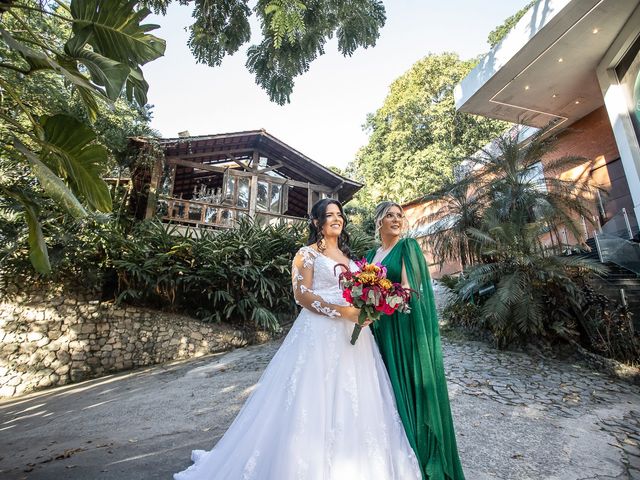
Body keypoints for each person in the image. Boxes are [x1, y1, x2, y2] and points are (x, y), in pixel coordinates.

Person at [174, 198, 422, 480]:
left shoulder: (353, 260)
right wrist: (345, 312)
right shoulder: (306, 254)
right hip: (318, 334)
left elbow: (361, 294)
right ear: (316, 222)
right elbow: (302, 296)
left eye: (339, 214)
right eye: (329, 215)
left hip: (355, 341)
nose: (336, 219)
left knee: (357, 399)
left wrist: (366, 313)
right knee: (312, 396)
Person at [366, 201, 465, 480]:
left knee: (408, 384)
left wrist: (380, 304)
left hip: (403, 328)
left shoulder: (407, 248)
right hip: (379, 331)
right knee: (385, 390)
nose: (396, 220)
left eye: (400, 216)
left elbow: (409, 290)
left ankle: (421, 453)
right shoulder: (371, 255)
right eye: (389, 215)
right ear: (379, 222)